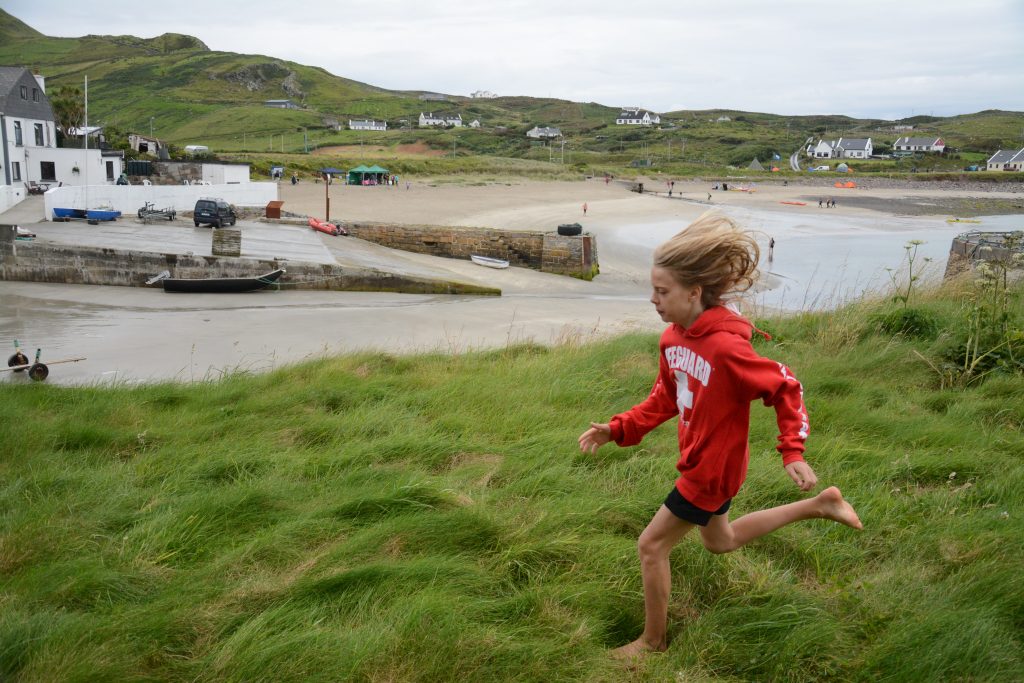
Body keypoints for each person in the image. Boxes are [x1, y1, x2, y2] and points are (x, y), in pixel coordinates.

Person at [578, 211, 862, 662]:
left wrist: (792, 450)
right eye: (652, 289)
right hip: (706, 462)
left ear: (694, 292)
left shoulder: (728, 348)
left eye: (662, 291)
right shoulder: (673, 339)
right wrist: (618, 428)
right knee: (720, 541)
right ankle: (821, 504)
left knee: (651, 546)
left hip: (710, 470)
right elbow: (664, 400)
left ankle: (652, 644)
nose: (653, 299)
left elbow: (785, 386)